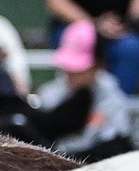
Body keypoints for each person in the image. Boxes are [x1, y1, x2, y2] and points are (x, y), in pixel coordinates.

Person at [34, 19, 134, 161]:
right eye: (68, 67)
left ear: (98, 65)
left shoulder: (112, 99)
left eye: (78, 69)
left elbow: (117, 144)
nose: (70, 72)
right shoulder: (49, 95)